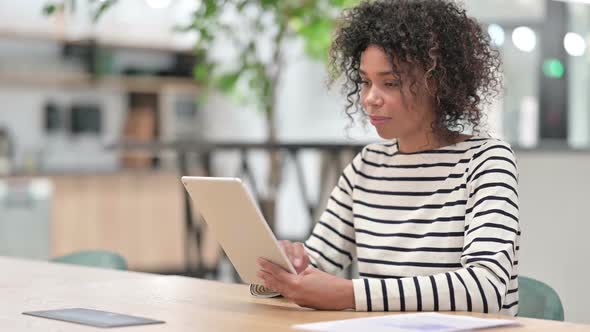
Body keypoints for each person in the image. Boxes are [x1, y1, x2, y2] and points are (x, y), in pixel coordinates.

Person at [256, 0, 519, 314]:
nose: (369, 99)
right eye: (366, 81)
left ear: (437, 83)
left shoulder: (486, 161)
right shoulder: (367, 167)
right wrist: (286, 267)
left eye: (390, 83)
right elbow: (317, 262)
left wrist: (349, 295)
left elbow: (484, 288)